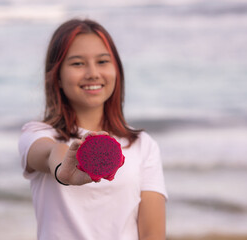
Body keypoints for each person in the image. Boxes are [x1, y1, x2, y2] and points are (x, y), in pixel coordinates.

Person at [18, 18, 168, 240]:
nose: (93, 73)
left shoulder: (143, 145)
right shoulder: (37, 133)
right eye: (78, 63)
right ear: (57, 76)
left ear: (116, 70)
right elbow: (52, 152)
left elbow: (152, 235)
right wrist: (63, 171)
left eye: (102, 61)